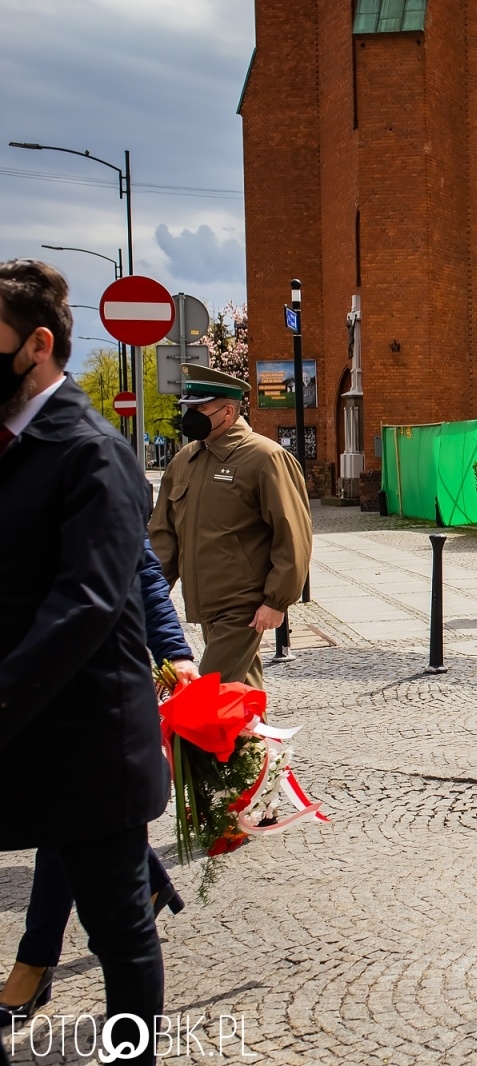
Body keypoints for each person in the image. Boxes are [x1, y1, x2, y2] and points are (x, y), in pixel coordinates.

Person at [0, 258, 168, 1064]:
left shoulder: (92, 451)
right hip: (20, 729)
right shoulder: (9, 442)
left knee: (119, 932)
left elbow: (91, 602)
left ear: (37, 344)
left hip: (87, 741)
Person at [0, 542, 195, 1024]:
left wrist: (174, 649)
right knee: (72, 817)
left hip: (72, 681)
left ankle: (36, 959)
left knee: (65, 812)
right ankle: (148, 881)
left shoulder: (84, 466)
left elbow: (139, 564)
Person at [149, 363, 314, 689]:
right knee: (238, 699)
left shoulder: (264, 457)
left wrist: (276, 600)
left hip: (244, 606)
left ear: (227, 411)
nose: (191, 414)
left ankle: (194, 742)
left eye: (200, 408)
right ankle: (256, 740)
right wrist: (151, 592)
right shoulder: (184, 461)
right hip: (204, 603)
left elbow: (292, 532)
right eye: (188, 407)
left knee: (206, 695)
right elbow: (164, 535)